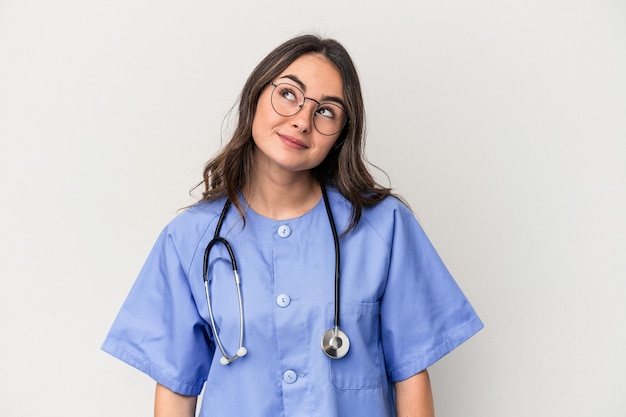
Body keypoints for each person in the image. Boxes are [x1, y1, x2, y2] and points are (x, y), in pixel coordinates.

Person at [102, 34, 483, 417]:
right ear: (255, 96)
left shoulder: (384, 228)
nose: (302, 120)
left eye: (326, 111)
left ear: (340, 136)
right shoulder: (189, 239)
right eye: (288, 94)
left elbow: (411, 376)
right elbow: (176, 391)